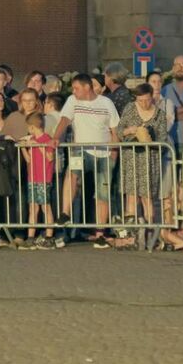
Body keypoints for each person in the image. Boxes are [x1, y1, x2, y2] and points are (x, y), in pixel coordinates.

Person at [54, 73, 120, 247]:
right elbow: (64, 120)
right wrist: (56, 137)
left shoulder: (106, 103)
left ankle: (100, 232)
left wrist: (114, 153)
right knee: (72, 175)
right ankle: (65, 213)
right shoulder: (72, 101)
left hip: (104, 153)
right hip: (81, 149)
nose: (74, 91)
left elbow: (114, 130)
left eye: (76, 88)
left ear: (87, 87)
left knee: (102, 193)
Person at [118, 83, 168, 227]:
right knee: (131, 197)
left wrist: (149, 138)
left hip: (150, 160)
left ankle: (150, 231)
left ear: (152, 97)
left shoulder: (160, 114)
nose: (144, 103)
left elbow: (163, 141)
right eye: (140, 100)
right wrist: (130, 130)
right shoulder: (130, 108)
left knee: (147, 198)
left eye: (147, 100)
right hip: (131, 158)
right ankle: (133, 234)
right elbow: (120, 130)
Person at [20, 113, 56, 248]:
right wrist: (24, 147)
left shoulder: (47, 139)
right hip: (32, 178)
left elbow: (50, 157)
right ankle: (31, 237)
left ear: (33, 127)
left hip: (44, 178)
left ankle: (49, 236)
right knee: (33, 207)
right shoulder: (33, 139)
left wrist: (38, 145)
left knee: (45, 207)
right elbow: (29, 159)